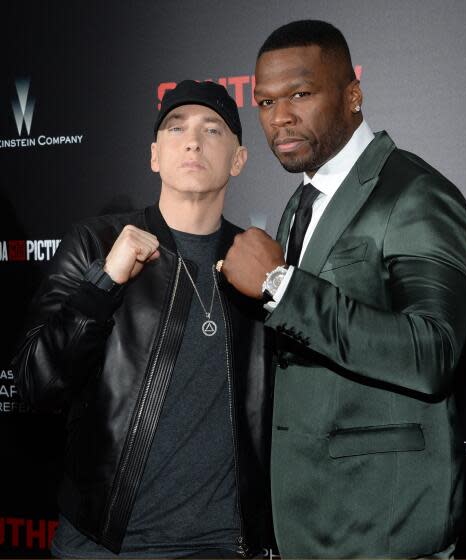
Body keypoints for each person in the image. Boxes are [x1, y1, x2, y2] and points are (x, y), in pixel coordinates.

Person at [219, 20, 466, 558]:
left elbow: (433, 352)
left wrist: (279, 284)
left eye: (300, 94)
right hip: (306, 522)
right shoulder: (301, 202)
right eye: (265, 103)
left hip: (384, 527)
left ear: (353, 95)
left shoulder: (415, 192)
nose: (279, 117)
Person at [12, 80, 273, 559]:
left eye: (213, 129)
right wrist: (104, 284)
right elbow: (36, 383)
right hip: (103, 547)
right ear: (155, 156)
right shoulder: (95, 243)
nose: (193, 140)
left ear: (238, 160)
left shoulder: (259, 262)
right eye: (177, 128)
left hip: (223, 548)